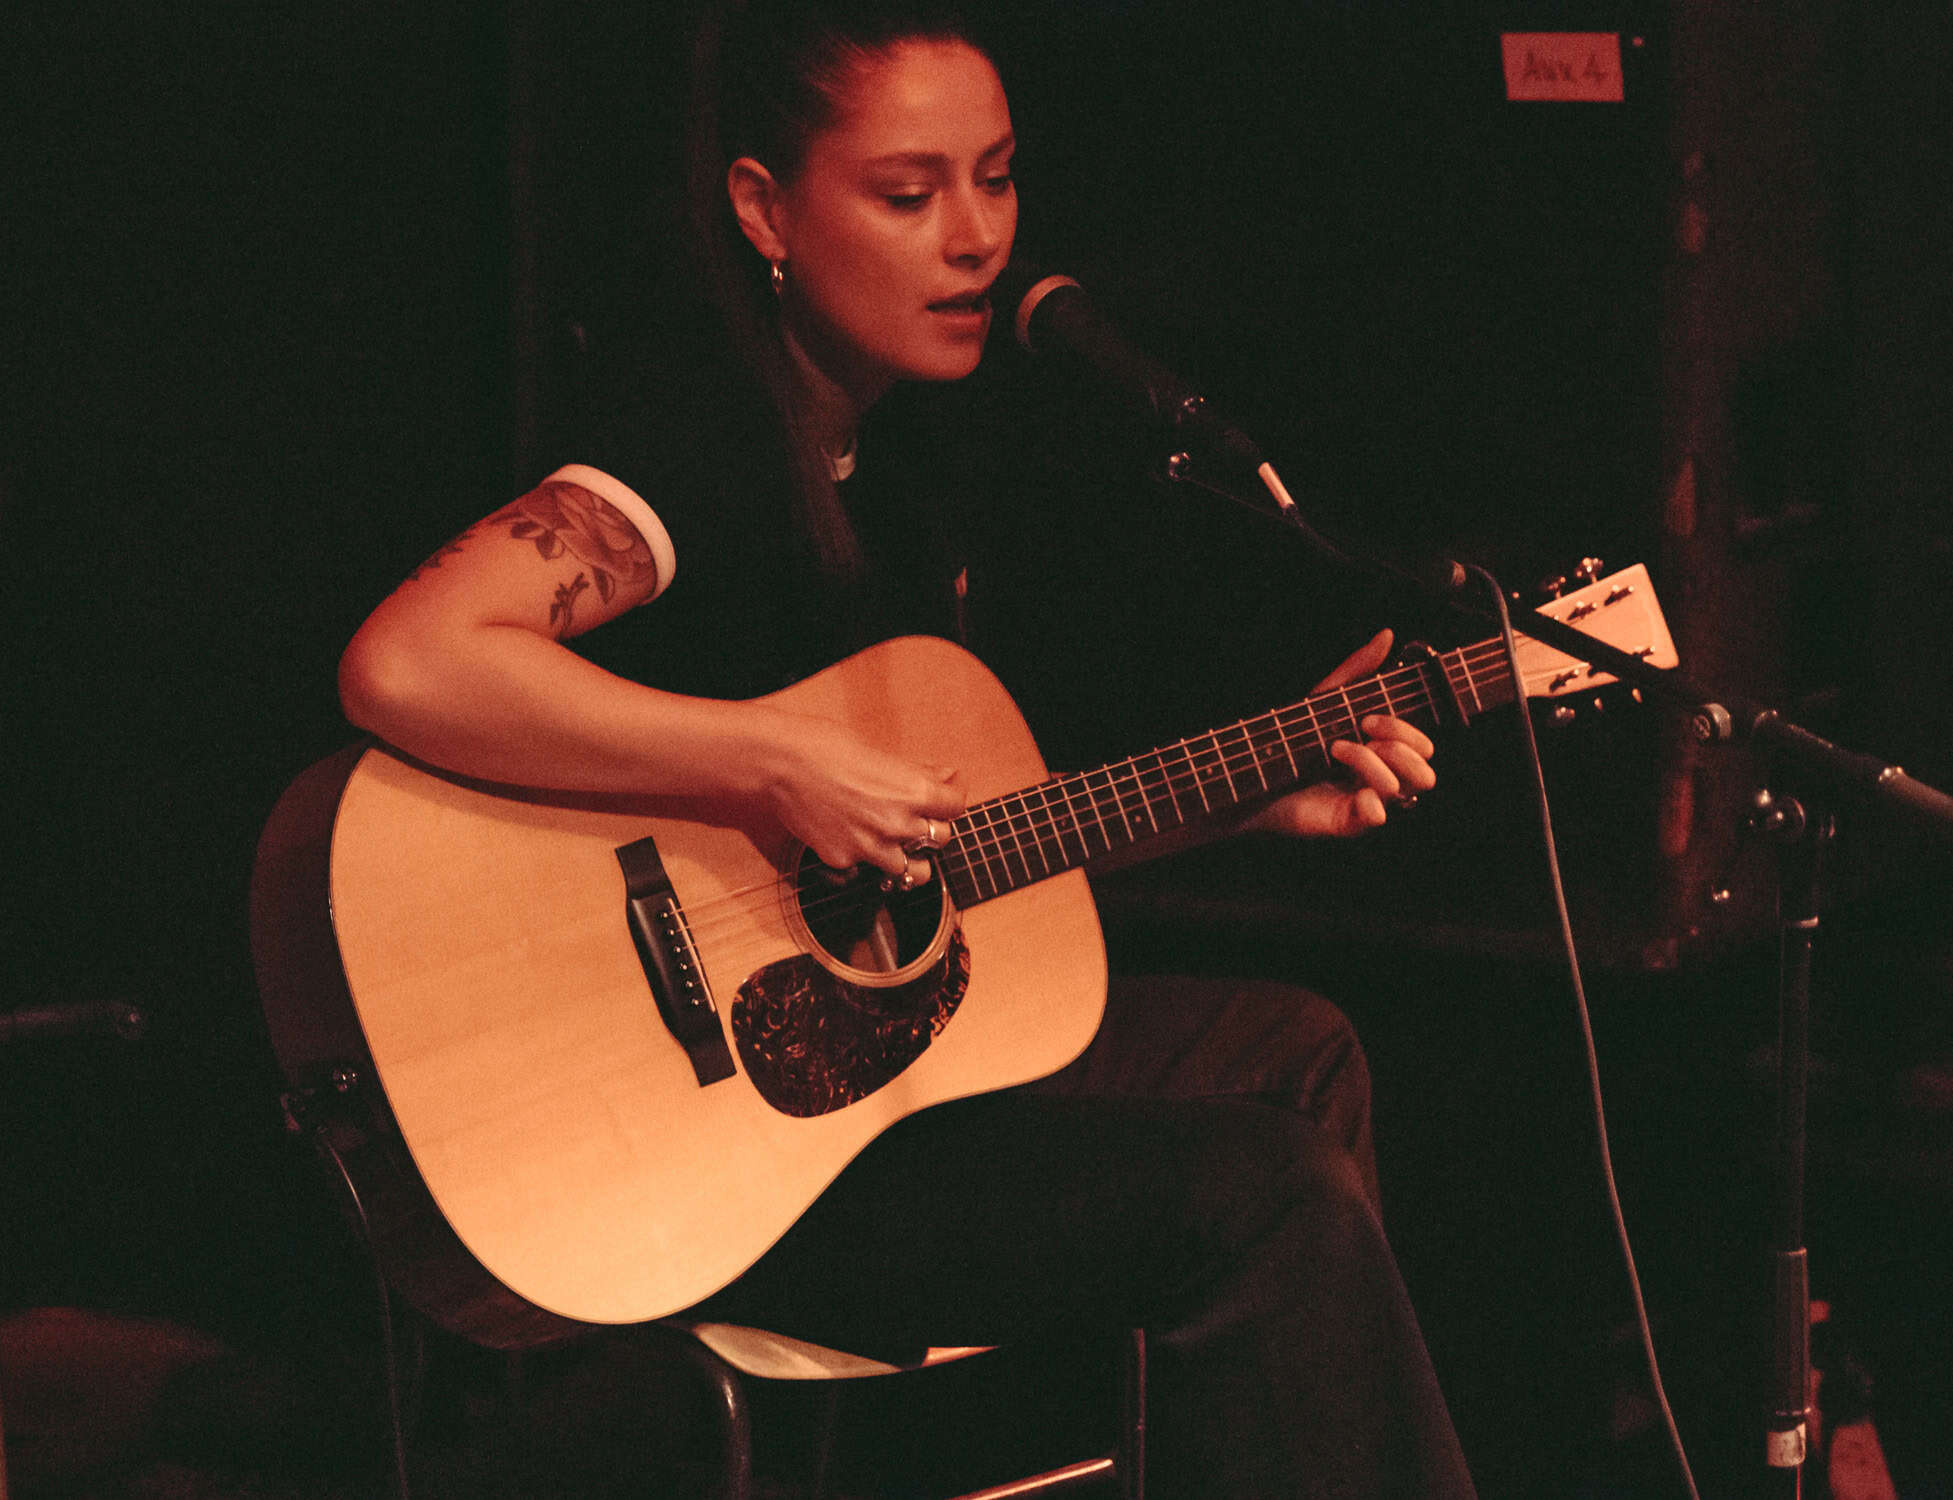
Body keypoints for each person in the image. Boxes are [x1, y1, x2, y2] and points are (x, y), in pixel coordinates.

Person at [337, 1, 1475, 1494]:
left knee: (1296, 1055)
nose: (976, 239)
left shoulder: (915, 463)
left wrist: (1240, 806)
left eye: (995, 178)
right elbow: (407, 659)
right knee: (1263, 1192)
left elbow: (939, 859)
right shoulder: (696, 439)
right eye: (907, 193)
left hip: (854, 1091)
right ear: (766, 212)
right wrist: (768, 763)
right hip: (701, 1157)